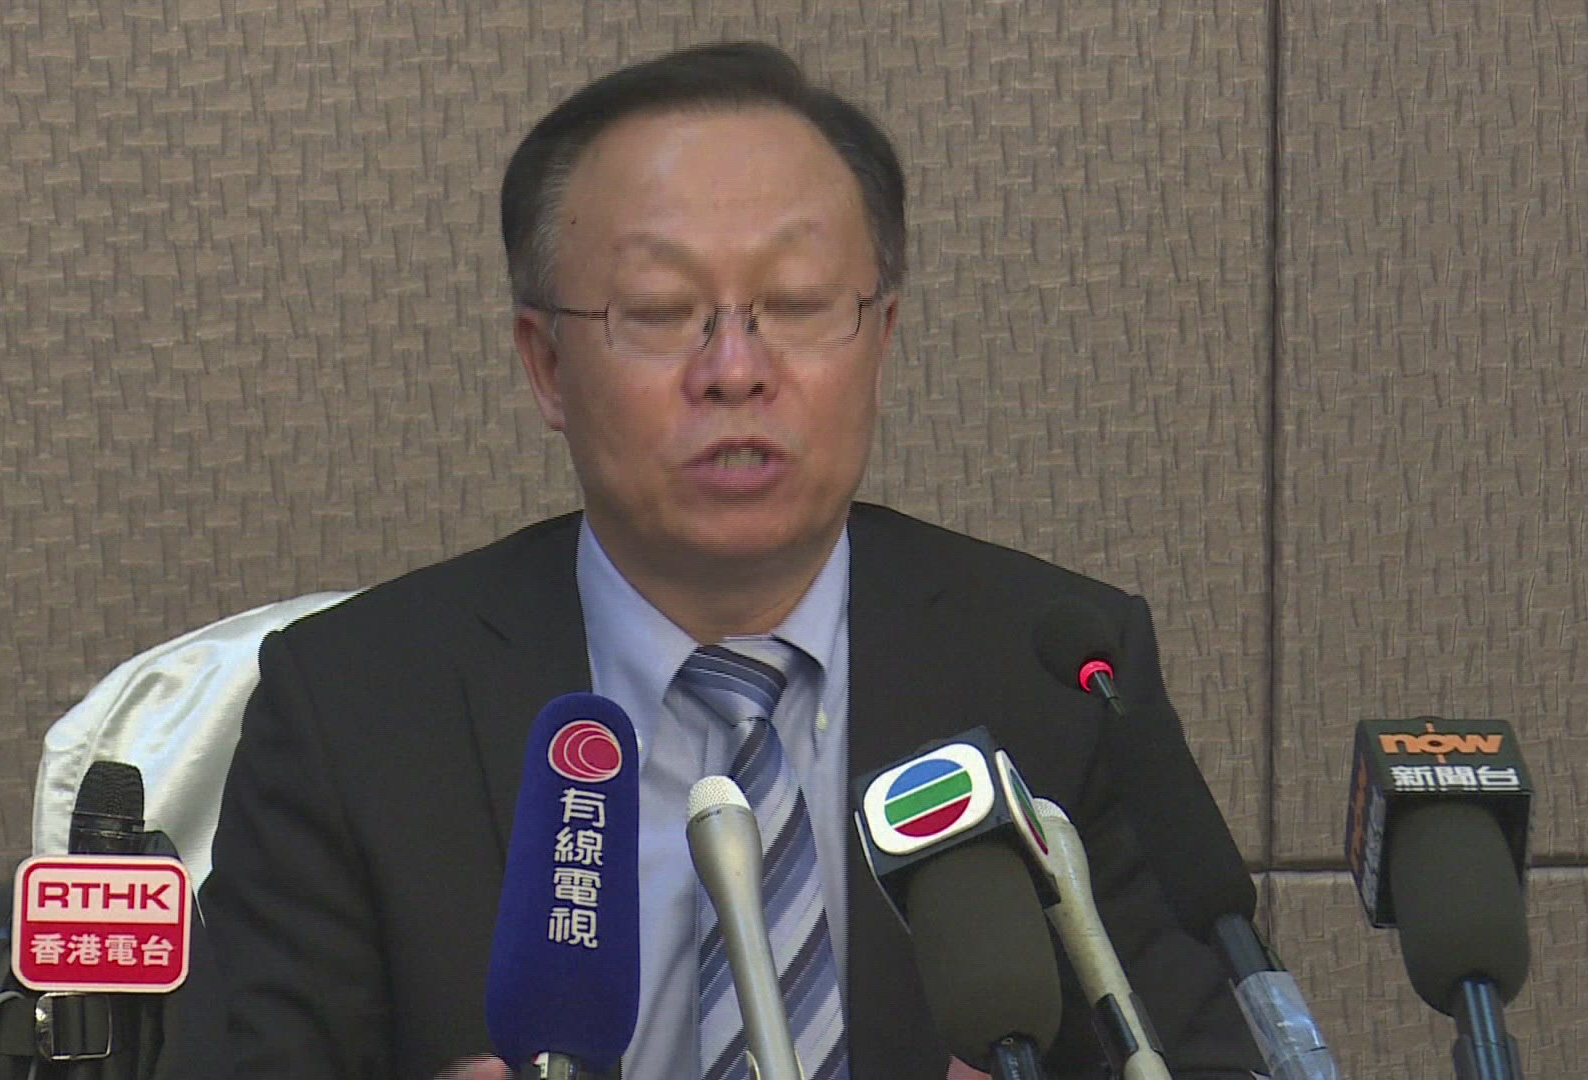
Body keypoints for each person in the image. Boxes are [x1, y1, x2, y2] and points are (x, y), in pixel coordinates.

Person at [180, 41, 1267, 1080]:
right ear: (546, 365)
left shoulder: (1057, 675)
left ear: (881, 338)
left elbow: (1209, 1055)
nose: (736, 369)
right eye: (661, 312)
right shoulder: (352, 706)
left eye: (796, 305)